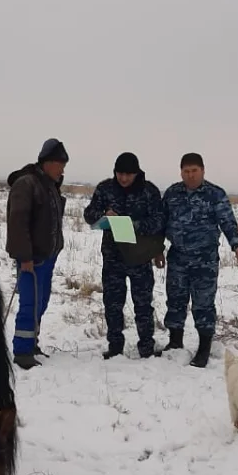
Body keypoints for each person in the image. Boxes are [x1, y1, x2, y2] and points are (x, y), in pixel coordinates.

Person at [159, 152, 238, 368]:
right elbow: (160, 223)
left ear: (203, 170)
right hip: (177, 257)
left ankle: (204, 348)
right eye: (186, 171)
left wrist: (236, 245)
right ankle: (175, 342)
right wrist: (156, 249)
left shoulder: (215, 194)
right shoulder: (172, 194)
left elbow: (227, 221)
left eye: (194, 171)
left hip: (204, 260)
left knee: (203, 304)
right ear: (181, 172)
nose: (190, 176)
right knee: (175, 300)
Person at [82, 152, 165, 360]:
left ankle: (146, 347)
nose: (124, 178)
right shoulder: (105, 189)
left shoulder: (149, 191)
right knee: (112, 303)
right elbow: (89, 215)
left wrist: (134, 225)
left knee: (143, 304)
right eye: (120, 174)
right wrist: (103, 216)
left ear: (136, 173)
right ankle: (115, 346)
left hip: (140, 257)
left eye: (128, 174)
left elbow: (159, 221)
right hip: (113, 258)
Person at [5, 138, 69, 369]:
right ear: (47, 162)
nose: (63, 169)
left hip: (47, 257)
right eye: (60, 164)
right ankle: (22, 352)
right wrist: (25, 258)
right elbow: (18, 223)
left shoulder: (49, 185)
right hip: (31, 259)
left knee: (41, 302)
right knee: (30, 303)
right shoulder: (27, 184)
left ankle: (31, 342)